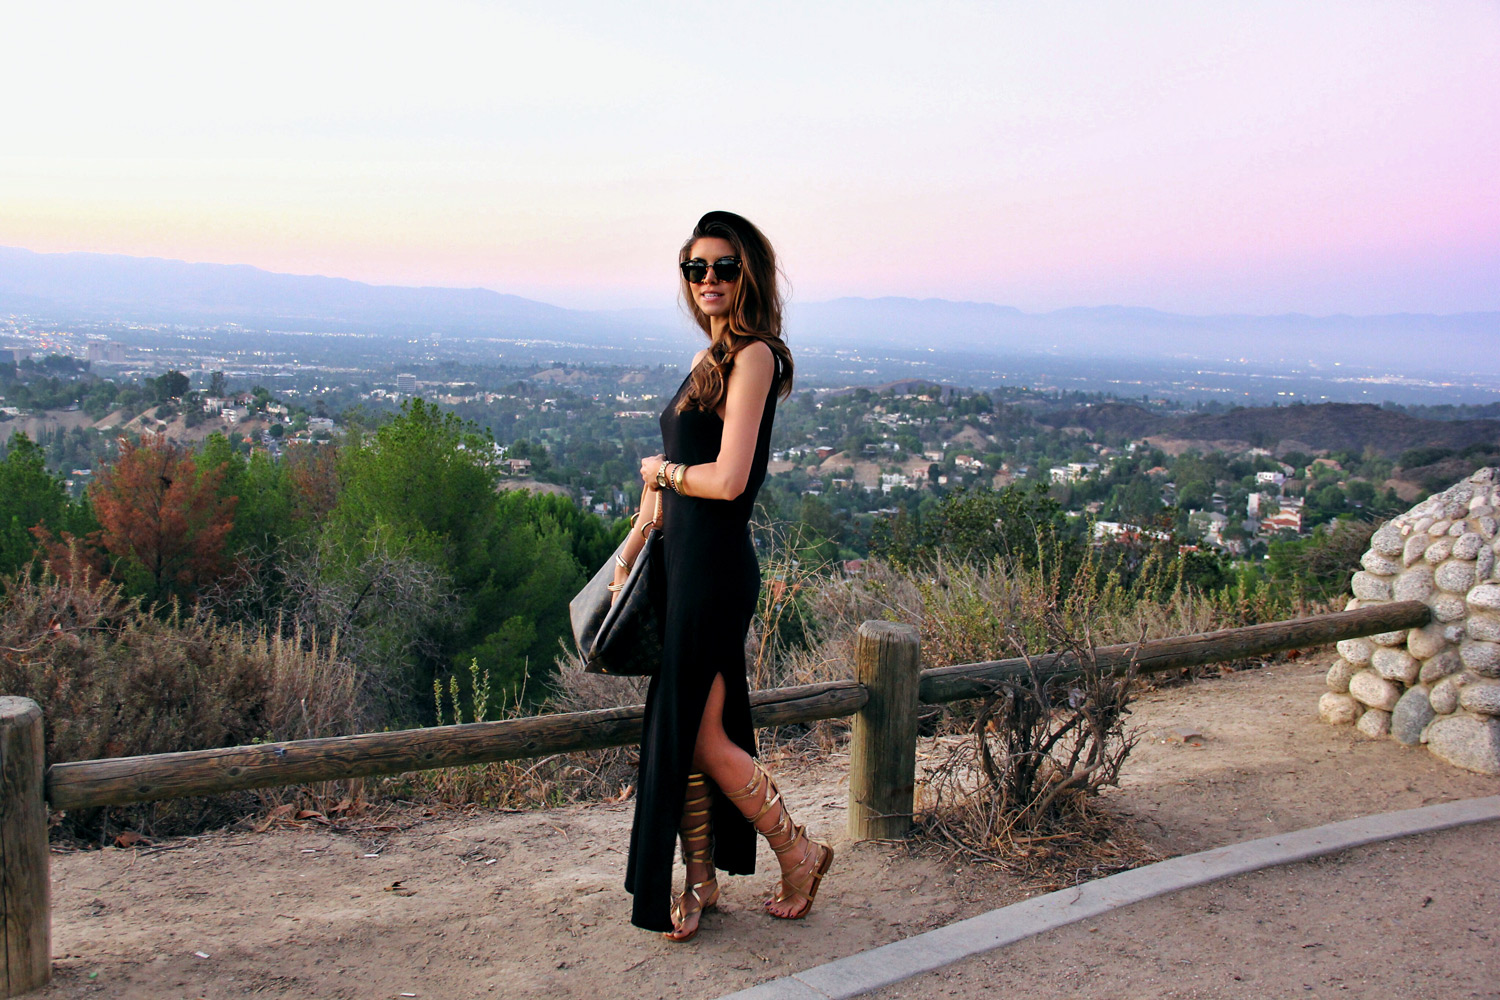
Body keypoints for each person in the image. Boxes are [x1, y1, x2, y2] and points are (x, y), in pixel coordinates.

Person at [610, 211, 832, 942]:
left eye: (723, 267)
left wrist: (662, 472)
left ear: (750, 275)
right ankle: (702, 882)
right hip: (682, 566)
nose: (708, 280)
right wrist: (636, 540)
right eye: (694, 267)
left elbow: (729, 478)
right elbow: (673, 483)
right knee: (693, 731)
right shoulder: (711, 358)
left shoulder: (755, 357)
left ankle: (797, 853)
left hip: (714, 572)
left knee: (697, 738)